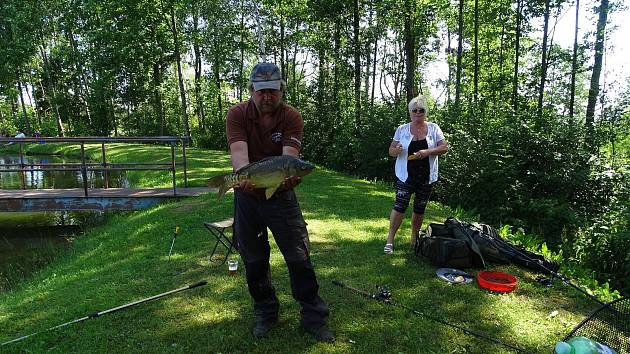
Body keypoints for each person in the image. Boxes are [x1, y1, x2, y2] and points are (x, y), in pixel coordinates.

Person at [225, 62, 334, 343]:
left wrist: (289, 178)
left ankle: (313, 317)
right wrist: (241, 177)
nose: (267, 97)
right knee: (254, 259)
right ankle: (266, 312)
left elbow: (290, 157)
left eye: (272, 91)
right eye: (261, 92)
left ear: (281, 90)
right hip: (248, 197)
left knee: (299, 256)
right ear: (251, 91)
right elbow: (238, 153)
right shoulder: (237, 114)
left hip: (281, 196)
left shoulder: (291, 117)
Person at [384, 95, 448, 254]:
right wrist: (396, 150)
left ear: (425, 112)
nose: (418, 113)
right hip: (406, 176)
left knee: (419, 209)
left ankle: (414, 237)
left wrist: (427, 152)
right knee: (399, 206)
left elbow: (444, 148)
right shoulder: (402, 129)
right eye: (415, 110)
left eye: (421, 110)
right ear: (410, 112)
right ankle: (390, 240)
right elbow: (391, 151)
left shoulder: (433, 128)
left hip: (426, 177)